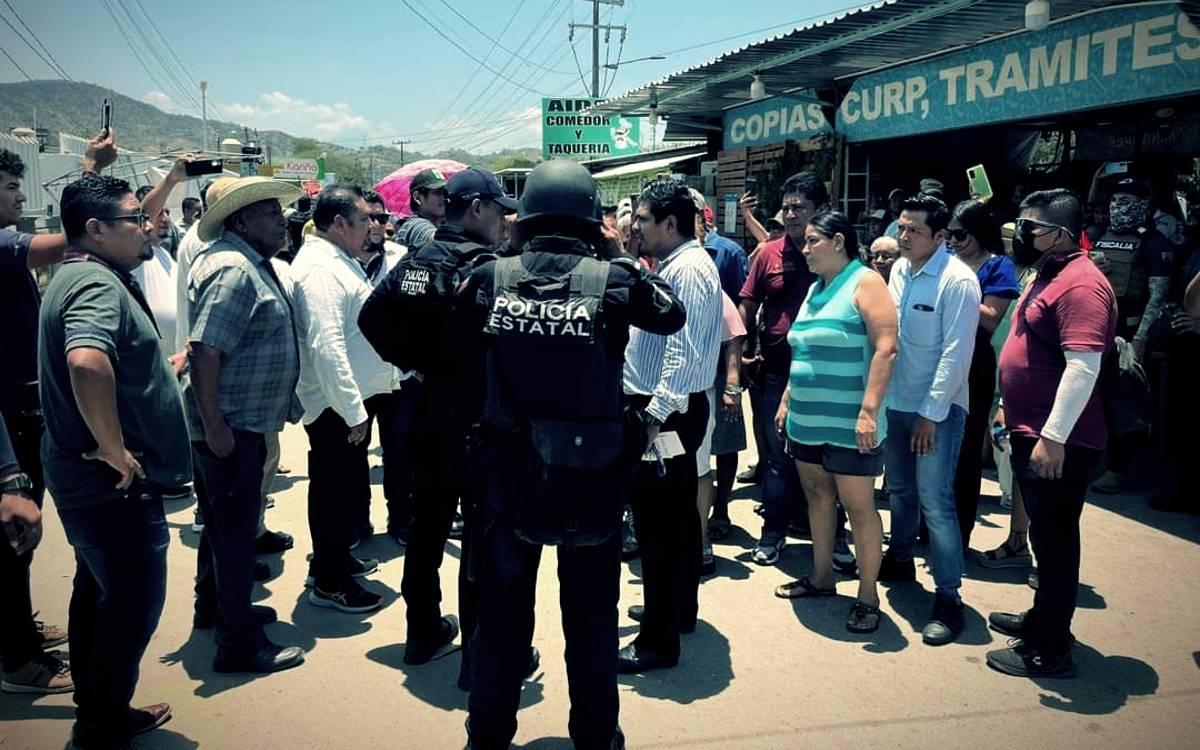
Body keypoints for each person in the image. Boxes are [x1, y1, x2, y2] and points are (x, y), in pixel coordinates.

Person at [460, 159, 684, 750]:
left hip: (510, 483)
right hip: (592, 483)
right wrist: (618, 255)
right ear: (593, 218)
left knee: (502, 621)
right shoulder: (612, 280)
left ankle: (487, 736)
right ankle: (593, 736)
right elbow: (670, 313)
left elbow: (456, 348)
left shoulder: (489, 278)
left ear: (525, 215)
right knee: (590, 621)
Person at [39, 173, 192, 746]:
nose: (148, 225)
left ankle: (97, 709)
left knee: (96, 593)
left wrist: (161, 369)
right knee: (131, 605)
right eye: (135, 219)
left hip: (86, 480)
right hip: (111, 485)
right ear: (96, 230)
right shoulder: (97, 284)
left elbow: (107, 364)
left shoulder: (79, 272)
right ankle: (103, 723)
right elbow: (86, 362)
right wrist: (113, 447)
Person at [361, 166, 518, 670]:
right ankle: (478, 653)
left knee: (427, 530)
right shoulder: (488, 267)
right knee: (479, 538)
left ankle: (421, 633)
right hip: (476, 419)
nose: (503, 220)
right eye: (498, 210)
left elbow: (371, 318)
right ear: (477, 208)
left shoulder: (414, 261)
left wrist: (414, 364)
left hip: (428, 414)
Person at [0, 132, 115, 697]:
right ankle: (18, 661)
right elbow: (66, 241)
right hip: (8, 422)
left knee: (18, 544)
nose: (20, 195)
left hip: (20, 413)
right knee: (13, 534)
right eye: (10, 187)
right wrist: (93, 185)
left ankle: (15, 630)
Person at [987, 189, 1117, 677]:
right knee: (1046, 535)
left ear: (1061, 233)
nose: (1021, 235)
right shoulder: (1047, 272)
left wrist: (1053, 437)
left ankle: (1051, 649)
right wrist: (1008, 407)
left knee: (1057, 543)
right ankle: (1043, 619)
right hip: (1031, 427)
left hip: (1061, 440)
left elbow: (1082, 367)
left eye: (1031, 228)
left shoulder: (1082, 284)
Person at [183, 176, 306, 673]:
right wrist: (216, 426)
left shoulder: (247, 262)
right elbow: (205, 350)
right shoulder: (235, 269)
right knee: (235, 536)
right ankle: (238, 644)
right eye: (270, 212)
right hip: (232, 425)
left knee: (222, 526)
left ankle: (215, 607)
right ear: (240, 221)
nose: (283, 219)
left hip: (238, 421)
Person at [771, 211, 897, 634]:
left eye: (812, 241)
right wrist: (788, 399)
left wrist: (869, 411)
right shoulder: (813, 289)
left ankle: (867, 595)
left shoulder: (866, 282)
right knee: (817, 498)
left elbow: (886, 349)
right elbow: (802, 349)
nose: (804, 249)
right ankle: (822, 578)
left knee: (860, 508)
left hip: (850, 423)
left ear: (839, 241)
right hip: (808, 419)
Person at [619, 176, 722, 674]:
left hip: (666, 413)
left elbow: (684, 353)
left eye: (642, 220)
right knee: (678, 521)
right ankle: (676, 609)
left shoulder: (688, 271)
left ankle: (657, 641)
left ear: (670, 224)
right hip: (669, 409)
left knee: (660, 529)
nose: (636, 227)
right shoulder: (677, 265)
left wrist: (651, 419)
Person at [878, 194, 981, 646]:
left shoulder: (958, 282)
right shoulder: (900, 269)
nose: (903, 237)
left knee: (936, 502)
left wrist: (930, 415)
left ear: (941, 237)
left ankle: (949, 597)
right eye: (901, 228)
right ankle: (899, 557)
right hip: (897, 403)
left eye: (914, 230)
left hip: (935, 411)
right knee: (898, 490)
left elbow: (956, 356)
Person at [291, 185, 394, 613]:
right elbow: (326, 345)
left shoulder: (336, 261)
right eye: (363, 220)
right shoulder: (320, 270)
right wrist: (352, 411)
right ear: (338, 224)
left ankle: (337, 559)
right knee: (333, 491)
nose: (372, 226)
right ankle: (329, 580)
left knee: (343, 489)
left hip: (348, 401)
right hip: (335, 406)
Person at [739, 171, 826, 566]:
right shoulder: (768, 254)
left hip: (826, 374)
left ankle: (830, 536)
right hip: (774, 370)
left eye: (800, 208)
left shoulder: (835, 254)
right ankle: (772, 533)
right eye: (787, 207)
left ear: (820, 210)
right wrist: (739, 354)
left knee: (825, 457)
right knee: (778, 456)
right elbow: (747, 306)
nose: (791, 215)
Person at [1089, 177, 1175, 494]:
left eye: (1126, 201)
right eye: (1114, 200)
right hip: (1095, 329)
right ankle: (1096, 461)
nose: (1117, 207)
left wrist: (1140, 338)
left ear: (1143, 206)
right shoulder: (1097, 237)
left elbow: (1158, 295)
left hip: (1127, 334)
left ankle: (1119, 469)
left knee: (1123, 402)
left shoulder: (1154, 244)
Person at [945, 200, 1019, 553]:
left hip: (975, 362)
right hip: (939, 359)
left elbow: (990, 317)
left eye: (960, 235)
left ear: (979, 232)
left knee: (966, 450)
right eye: (949, 235)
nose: (954, 242)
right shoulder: (944, 261)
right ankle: (928, 530)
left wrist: (954, 289)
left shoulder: (998, 265)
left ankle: (959, 532)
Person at [360, 190, 417, 544]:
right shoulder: (341, 261)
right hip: (359, 376)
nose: (380, 225)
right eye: (371, 218)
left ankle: (402, 519)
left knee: (401, 453)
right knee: (354, 458)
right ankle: (358, 522)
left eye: (384, 218)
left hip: (400, 376)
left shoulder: (403, 258)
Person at [395, 168, 448, 251]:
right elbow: (439, 240)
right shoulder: (413, 225)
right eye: (437, 192)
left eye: (445, 193)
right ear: (417, 197)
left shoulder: (439, 223)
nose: (443, 197)